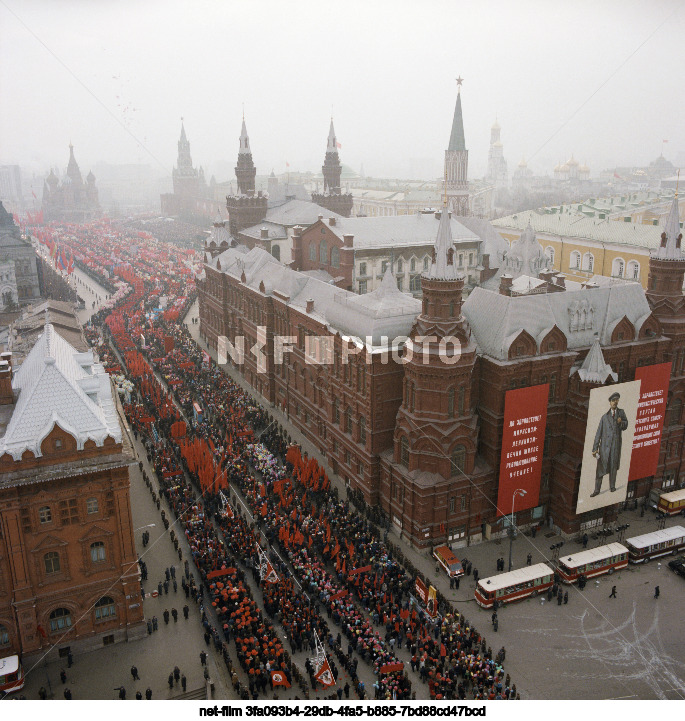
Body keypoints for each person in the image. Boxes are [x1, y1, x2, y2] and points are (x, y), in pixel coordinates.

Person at [590, 392, 629, 497]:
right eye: (613, 400)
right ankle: (597, 490)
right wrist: (595, 449)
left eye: (617, 400)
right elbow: (598, 433)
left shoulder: (621, 413)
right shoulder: (604, 417)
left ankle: (612, 486)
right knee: (600, 469)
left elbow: (625, 426)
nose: (615, 402)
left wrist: (621, 422)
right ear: (610, 402)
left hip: (615, 446)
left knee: (613, 466)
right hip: (604, 448)